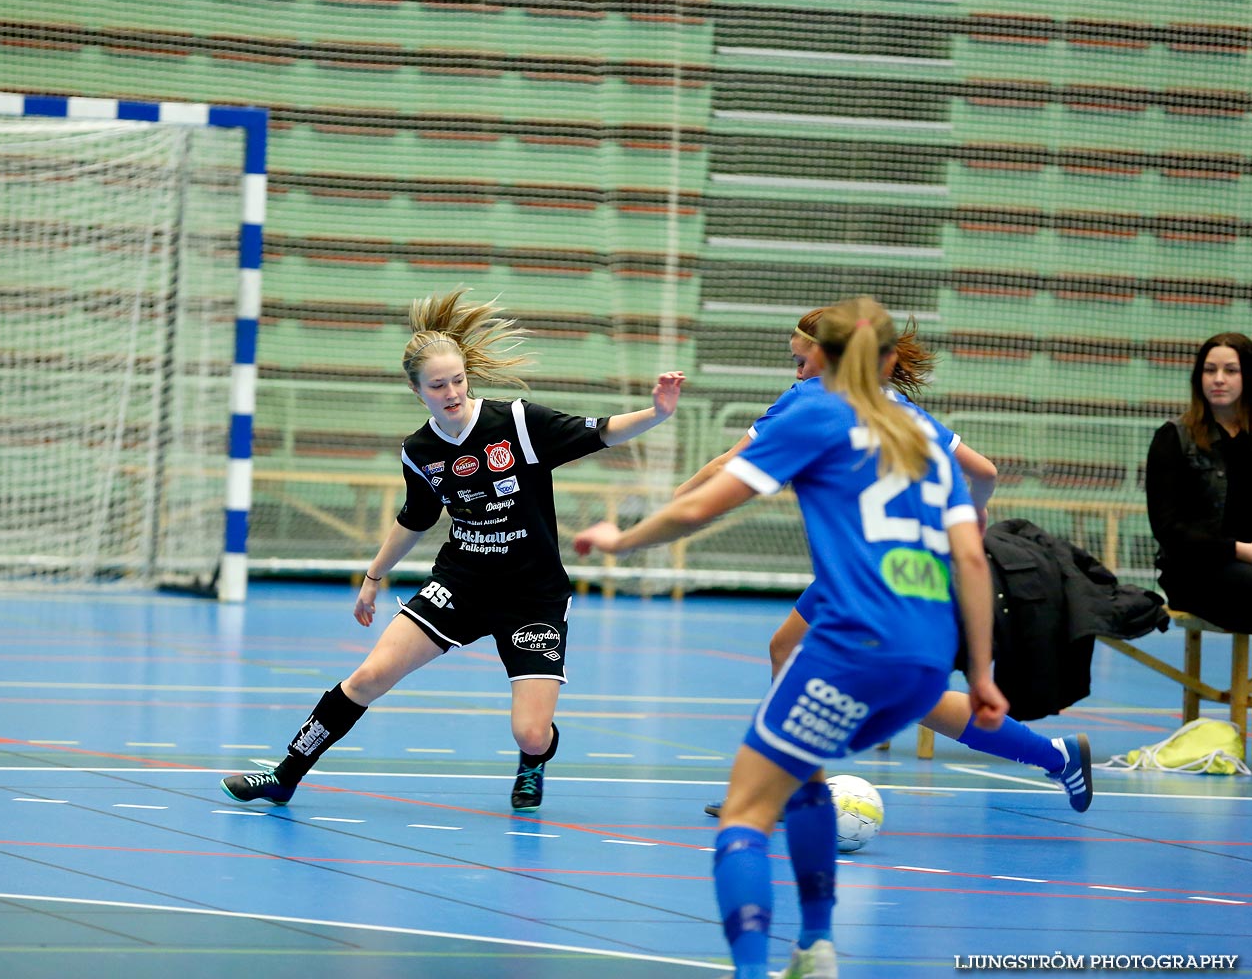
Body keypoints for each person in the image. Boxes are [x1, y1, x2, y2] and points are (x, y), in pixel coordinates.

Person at [574, 296, 1008, 979]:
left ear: (820, 363)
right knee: (800, 771)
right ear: (893, 362)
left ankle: (754, 970)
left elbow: (704, 502)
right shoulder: (925, 432)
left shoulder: (813, 410)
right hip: (928, 658)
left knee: (745, 812)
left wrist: (623, 540)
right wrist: (981, 675)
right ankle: (815, 948)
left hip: (854, 646)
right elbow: (975, 559)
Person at [220, 288, 686, 812]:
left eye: (459, 380)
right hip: (460, 584)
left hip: (532, 595)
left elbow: (600, 432)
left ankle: (533, 760)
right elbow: (415, 518)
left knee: (532, 734)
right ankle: (284, 775)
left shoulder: (516, 424)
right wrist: (373, 579)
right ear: (417, 391)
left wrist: (657, 412)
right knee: (369, 676)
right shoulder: (419, 451)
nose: (453, 392)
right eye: (438, 385)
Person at [688, 306, 1091, 818]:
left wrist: (674, 499)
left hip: (882, 576)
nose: (795, 367)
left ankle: (1051, 755)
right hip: (875, 565)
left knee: (902, 691)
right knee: (786, 647)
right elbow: (985, 470)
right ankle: (786, 782)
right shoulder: (897, 404)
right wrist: (977, 508)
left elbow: (730, 463)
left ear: (825, 354)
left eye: (800, 356)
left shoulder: (811, 397)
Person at [1146, 331, 1252, 632]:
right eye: (1209, 370)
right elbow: (1168, 530)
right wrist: (1240, 550)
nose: (1218, 379)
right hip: (1193, 572)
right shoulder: (1173, 438)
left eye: (1231, 370)